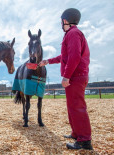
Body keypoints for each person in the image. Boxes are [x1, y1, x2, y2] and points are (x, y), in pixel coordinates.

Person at [39, 8, 93, 150]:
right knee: (72, 107)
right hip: (77, 76)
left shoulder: (73, 33)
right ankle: (76, 133)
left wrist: (66, 76)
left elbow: (74, 57)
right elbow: (65, 57)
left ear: (64, 21)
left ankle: (85, 141)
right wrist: (48, 61)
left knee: (77, 107)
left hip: (75, 76)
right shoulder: (73, 34)